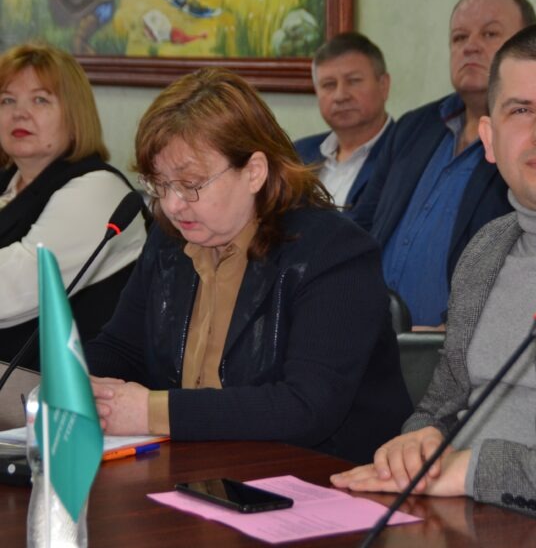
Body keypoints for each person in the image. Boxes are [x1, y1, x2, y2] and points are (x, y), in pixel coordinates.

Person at [332, 20, 536, 533]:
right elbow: (442, 404)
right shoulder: (485, 249)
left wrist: (474, 470)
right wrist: (418, 441)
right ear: (490, 140)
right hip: (453, 524)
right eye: (521, 110)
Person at [85, 67, 412, 464]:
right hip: (197, 471)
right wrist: (74, 383)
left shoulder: (334, 252)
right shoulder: (169, 239)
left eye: (190, 185)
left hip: (316, 479)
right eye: (160, 184)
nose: (171, 205)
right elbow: (122, 348)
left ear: (254, 172)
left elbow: (305, 406)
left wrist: (151, 411)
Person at [351, 0, 536, 327]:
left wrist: (459, 328)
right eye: (459, 37)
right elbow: (362, 224)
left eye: (490, 34)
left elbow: (535, 255)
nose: (470, 46)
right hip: (372, 335)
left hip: (464, 344)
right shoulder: (413, 127)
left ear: (529, 47)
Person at [0, 44, 147, 368]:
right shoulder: (8, 182)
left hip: (71, 390)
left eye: (40, 100)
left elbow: (11, 290)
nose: (19, 113)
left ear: (75, 114)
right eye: (7, 100)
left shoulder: (98, 190)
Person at [295, 32, 392, 209]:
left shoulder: (407, 156)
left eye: (353, 81)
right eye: (329, 84)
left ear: (383, 85)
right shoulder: (297, 155)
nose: (340, 96)